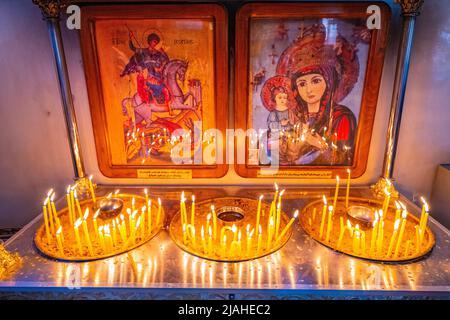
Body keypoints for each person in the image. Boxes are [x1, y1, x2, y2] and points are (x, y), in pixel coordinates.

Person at [121, 32, 171, 106]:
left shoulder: (158, 53)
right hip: (150, 78)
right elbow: (132, 48)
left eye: (156, 42)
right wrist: (130, 38)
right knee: (163, 89)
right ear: (150, 41)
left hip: (159, 76)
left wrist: (163, 52)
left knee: (168, 89)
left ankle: (166, 106)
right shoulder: (144, 51)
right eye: (154, 41)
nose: (155, 43)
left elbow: (167, 60)